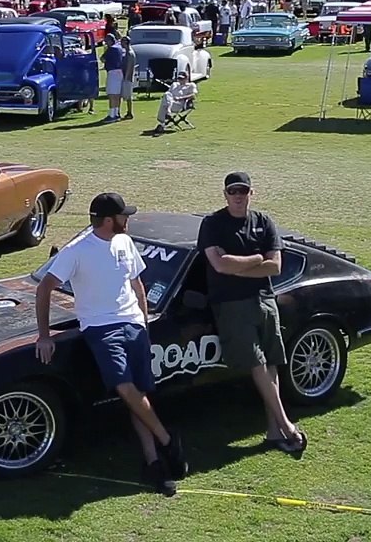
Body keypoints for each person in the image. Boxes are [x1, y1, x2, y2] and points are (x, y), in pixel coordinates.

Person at [35, 193, 187, 495]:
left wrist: (143, 322)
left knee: (138, 394)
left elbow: (137, 283)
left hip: (133, 324)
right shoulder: (77, 251)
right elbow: (45, 288)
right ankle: (167, 440)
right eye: (123, 216)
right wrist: (44, 335)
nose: (127, 220)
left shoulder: (125, 243)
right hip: (100, 328)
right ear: (108, 220)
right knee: (124, 386)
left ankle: (153, 463)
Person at [197, 172, 306, 457]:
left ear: (250, 193)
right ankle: (287, 426)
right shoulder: (212, 224)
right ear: (224, 194)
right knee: (257, 363)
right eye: (233, 191)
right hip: (231, 304)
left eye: (242, 191)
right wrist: (257, 258)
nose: (238, 195)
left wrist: (242, 263)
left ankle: (273, 432)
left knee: (271, 364)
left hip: (264, 299)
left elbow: (275, 267)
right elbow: (219, 266)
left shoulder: (264, 222)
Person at [151, 69, 197, 135]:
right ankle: (167, 115)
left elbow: (193, 95)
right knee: (167, 95)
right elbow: (169, 94)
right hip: (170, 102)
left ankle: (162, 123)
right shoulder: (174, 84)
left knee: (165, 102)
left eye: (182, 78)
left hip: (179, 105)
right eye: (179, 78)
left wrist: (181, 98)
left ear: (186, 78)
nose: (180, 80)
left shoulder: (191, 85)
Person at [102, 33, 125, 122]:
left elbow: (102, 59)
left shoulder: (111, 49)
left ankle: (112, 115)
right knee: (117, 95)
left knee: (112, 94)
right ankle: (116, 112)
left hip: (113, 72)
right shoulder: (119, 47)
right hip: (120, 72)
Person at [120, 36, 137, 121]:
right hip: (125, 76)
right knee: (126, 96)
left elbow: (130, 66)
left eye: (122, 42)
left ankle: (130, 112)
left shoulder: (130, 53)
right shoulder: (126, 52)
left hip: (128, 77)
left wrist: (126, 78)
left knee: (128, 96)